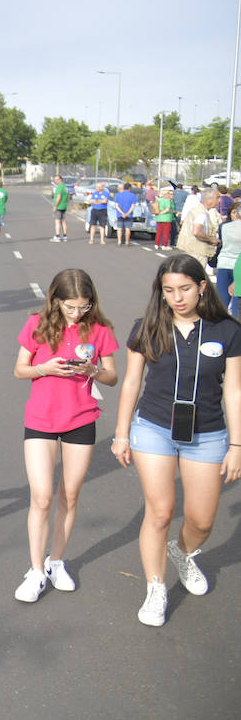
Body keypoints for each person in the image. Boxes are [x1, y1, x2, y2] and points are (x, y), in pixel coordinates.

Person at [111, 254, 241, 626]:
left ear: (202, 287)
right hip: (153, 428)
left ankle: (182, 553)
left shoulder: (227, 331)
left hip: (208, 433)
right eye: (169, 291)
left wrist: (237, 445)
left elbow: (234, 391)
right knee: (161, 511)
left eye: (185, 289)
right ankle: (156, 587)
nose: (177, 297)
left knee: (201, 521)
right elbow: (132, 383)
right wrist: (122, 434)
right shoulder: (147, 327)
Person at [11, 269, 119, 602]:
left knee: (69, 496)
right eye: (70, 306)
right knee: (41, 495)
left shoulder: (99, 330)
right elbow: (20, 370)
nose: (76, 313)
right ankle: (35, 570)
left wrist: (94, 371)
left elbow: (113, 377)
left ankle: (56, 561)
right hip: (41, 418)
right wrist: (46, 368)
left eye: (83, 307)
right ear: (56, 300)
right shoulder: (36, 325)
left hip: (81, 419)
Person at [176, 187, 221, 272]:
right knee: (196, 277)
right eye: (217, 198)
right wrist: (212, 240)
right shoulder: (201, 213)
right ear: (208, 199)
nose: (219, 200)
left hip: (191, 250)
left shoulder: (197, 210)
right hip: (197, 252)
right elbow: (197, 232)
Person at [215, 203, 241, 317]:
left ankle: (219, 326)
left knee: (222, 300)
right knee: (237, 302)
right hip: (238, 265)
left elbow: (221, 241)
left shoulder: (224, 226)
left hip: (224, 262)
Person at [50, 175, 70, 242]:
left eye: (56, 179)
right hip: (64, 206)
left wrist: (55, 206)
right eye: (55, 180)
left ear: (60, 179)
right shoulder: (65, 187)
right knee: (63, 221)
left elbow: (59, 197)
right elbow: (68, 197)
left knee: (57, 221)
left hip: (59, 206)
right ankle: (65, 236)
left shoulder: (59, 187)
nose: (55, 181)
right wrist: (66, 203)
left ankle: (57, 236)